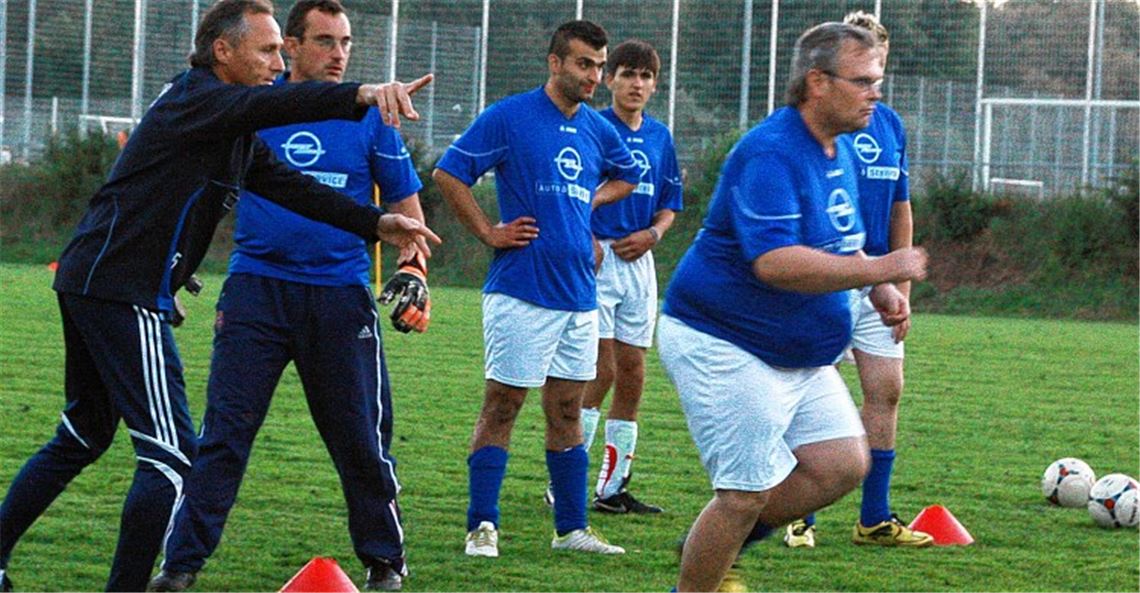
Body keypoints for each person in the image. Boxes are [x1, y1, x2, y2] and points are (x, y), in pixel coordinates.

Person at [0, 1, 438, 591]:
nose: (278, 61)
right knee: (172, 459)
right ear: (222, 52)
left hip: (97, 282)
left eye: (283, 49)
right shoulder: (200, 98)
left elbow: (285, 184)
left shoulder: (225, 123)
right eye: (267, 50)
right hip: (119, 290)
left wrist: (376, 224)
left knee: (83, 434)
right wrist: (361, 94)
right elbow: (280, 102)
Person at [148, 2, 429, 592]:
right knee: (224, 435)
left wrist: (416, 268)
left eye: (346, 41)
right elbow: (188, 193)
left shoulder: (370, 118)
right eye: (324, 41)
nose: (339, 53)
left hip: (339, 297)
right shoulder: (250, 106)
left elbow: (406, 208)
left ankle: (384, 563)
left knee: (360, 439)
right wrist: (168, 272)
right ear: (290, 47)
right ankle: (180, 568)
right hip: (256, 292)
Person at [656, 22, 927, 592]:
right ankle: (702, 568)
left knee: (841, 463)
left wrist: (877, 289)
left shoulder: (841, 148)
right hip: (727, 342)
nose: (875, 93)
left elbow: (838, 237)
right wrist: (881, 269)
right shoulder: (770, 152)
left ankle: (718, 540)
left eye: (877, 80)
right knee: (743, 495)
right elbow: (775, 262)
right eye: (862, 81)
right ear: (817, 83)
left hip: (793, 351)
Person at [433, 20, 640, 558]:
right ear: (555, 63)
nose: (594, 76)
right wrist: (487, 231)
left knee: (568, 412)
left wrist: (586, 207)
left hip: (578, 294)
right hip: (520, 288)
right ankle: (482, 526)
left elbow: (627, 177)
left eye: (599, 65)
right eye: (583, 65)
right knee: (502, 406)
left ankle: (571, 530)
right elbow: (449, 173)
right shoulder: (510, 116)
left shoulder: (597, 128)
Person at [783, 11, 931, 550]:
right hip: (828, 274)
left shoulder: (888, 125)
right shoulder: (819, 128)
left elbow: (900, 207)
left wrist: (899, 283)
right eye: (861, 70)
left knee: (886, 390)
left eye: (878, 68)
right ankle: (801, 514)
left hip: (878, 281)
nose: (872, 80)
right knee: (810, 390)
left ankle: (874, 517)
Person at [578, 39, 683, 515]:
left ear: (654, 85)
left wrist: (654, 236)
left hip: (640, 262)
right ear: (610, 78)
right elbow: (573, 192)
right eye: (628, 74)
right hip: (597, 260)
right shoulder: (592, 127)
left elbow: (669, 205)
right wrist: (588, 237)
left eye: (646, 76)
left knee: (634, 375)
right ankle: (565, 481)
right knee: (599, 370)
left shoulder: (661, 137)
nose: (636, 84)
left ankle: (612, 488)